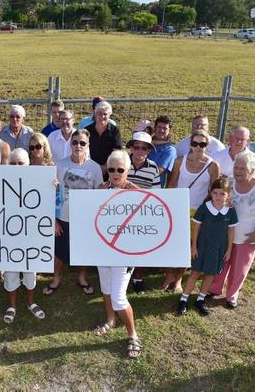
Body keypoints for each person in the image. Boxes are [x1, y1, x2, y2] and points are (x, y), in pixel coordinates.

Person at [209, 151, 255, 309]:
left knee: (240, 269)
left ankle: (232, 295)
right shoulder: (229, 182)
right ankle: (214, 288)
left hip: (247, 237)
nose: (237, 171)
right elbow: (217, 201)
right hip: (225, 235)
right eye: (236, 167)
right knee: (221, 264)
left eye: (242, 168)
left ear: (252, 170)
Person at [93, 150, 142, 358]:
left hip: (124, 253)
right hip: (103, 249)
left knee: (119, 297)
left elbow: (144, 226)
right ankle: (110, 320)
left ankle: (133, 335)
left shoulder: (137, 193)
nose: (115, 173)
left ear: (127, 170)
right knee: (105, 288)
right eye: (111, 169)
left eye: (119, 170)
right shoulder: (101, 189)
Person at [44, 129, 102, 296]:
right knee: (59, 252)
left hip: (85, 220)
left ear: (88, 145)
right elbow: (51, 193)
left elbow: (99, 195)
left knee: (84, 251)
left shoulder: (95, 168)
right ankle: (56, 278)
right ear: (70, 144)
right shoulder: (60, 165)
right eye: (75, 142)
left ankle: (82, 277)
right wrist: (53, 219)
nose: (78, 146)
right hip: (63, 217)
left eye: (82, 143)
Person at [165, 130, 221, 292]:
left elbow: (213, 192)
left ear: (207, 146)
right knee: (172, 244)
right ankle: (169, 275)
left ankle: (179, 279)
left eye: (202, 144)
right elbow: (171, 185)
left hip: (197, 212)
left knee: (189, 246)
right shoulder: (179, 162)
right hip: (178, 208)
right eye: (195, 143)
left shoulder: (213, 166)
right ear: (190, 144)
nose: (198, 147)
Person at [178, 177, 238, 316]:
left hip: (218, 248)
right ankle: (184, 299)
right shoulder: (204, 208)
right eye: (215, 193)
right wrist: (194, 246)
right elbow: (197, 227)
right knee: (195, 273)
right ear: (211, 193)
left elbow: (231, 230)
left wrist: (229, 249)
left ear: (228, 195)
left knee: (210, 274)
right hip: (202, 246)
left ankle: (200, 299)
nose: (218, 197)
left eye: (222, 194)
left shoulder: (230, 211)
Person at [2, 149, 46, 324]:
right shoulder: (0, 183)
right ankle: (12, 305)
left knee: (30, 272)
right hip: (9, 235)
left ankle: (30, 302)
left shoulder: (38, 183)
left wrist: (53, 188)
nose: (17, 166)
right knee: (11, 271)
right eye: (13, 163)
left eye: (21, 163)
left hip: (31, 236)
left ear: (28, 164)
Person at [124, 131, 161, 294]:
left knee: (140, 248)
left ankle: (137, 277)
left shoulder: (153, 167)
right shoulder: (123, 162)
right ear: (131, 148)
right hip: (121, 211)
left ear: (148, 150)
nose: (139, 151)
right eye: (136, 147)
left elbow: (157, 193)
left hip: (143, 213)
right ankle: (122, 276)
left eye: (143, 148)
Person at [86, 101, 122, 180]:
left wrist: (105, 167)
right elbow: (84, 149)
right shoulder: (87, 130)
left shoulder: (115, 131)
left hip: (109, 171)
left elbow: (117, 151)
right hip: (89, 170)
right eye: (99, 113)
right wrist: (94, 167)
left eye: (105, 114)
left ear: (109, 115)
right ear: (95, 114)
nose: (102, 116)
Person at [148, 115, 177, 187]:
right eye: (159, 127)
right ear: (154, 128)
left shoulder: (170, 150)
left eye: (165, 128)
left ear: (169, 130)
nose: (161, 130)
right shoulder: (145, 144)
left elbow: (159, 171)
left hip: (155, 188)